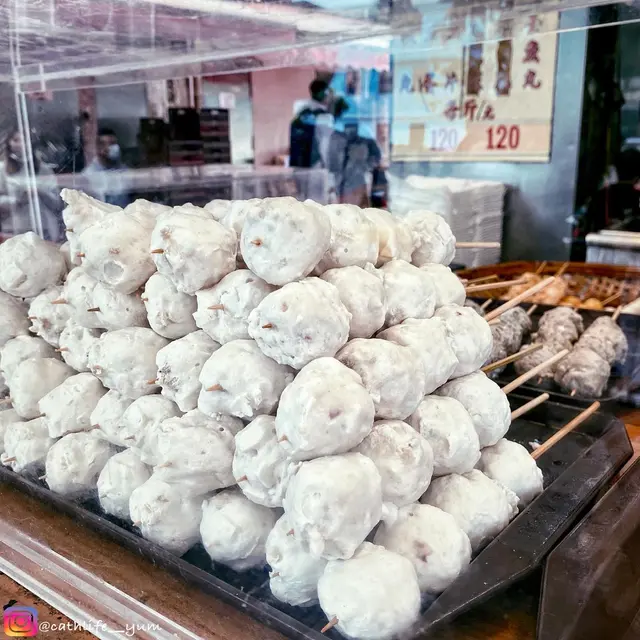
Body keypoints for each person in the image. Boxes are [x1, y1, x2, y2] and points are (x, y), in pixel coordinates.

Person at [0, 128, 63, 242]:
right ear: (8, 143)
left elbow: (57, 203)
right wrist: (17, 201)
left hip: (43, 230)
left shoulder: (43, 169)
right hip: (13, 230)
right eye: (16, 140)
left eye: (25, 140)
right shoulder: (2, 170)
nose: (21, 144)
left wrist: (39, 192)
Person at [289, 79, 335, 170]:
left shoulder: (300, 111)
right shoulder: (324, 117)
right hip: (315, 164)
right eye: (329, 93)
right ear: (324, 93)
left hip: (297, 163)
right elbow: (325, 145)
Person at [82, 127, 129, 207]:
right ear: (99, 147)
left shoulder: (124, 170)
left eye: (113, 143)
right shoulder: (88, 175)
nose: (113, 148)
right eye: (108, 144)